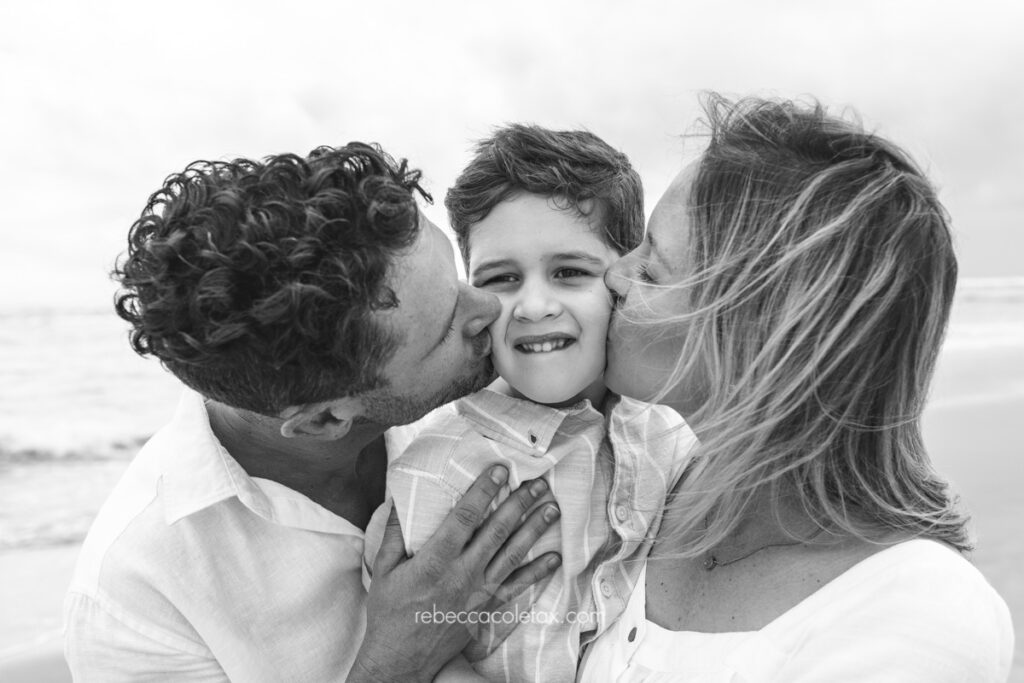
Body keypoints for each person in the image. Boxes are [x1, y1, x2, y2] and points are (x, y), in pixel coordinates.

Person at [63, 143, 565, 682]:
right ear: (324, 420)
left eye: (459, 280)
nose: (491, 307)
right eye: (448, 328)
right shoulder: (135, 599)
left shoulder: (499, 389)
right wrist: (395, 663)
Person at [577, 95, 1015, 681]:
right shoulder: (637, 485)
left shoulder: (919, 617)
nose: (614, 275)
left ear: (758, 334)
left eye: (652, 269)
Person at [364, 125, 697, 682]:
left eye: (569, 273)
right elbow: (422, 655)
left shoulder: (672, 436)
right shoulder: (445, 470)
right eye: (502, 278)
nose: (534, 306)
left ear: (623, 278)